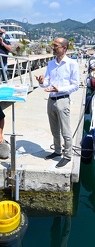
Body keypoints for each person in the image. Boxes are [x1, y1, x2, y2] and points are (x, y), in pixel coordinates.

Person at [36, 37, 79, 168]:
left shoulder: (72, 64)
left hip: (63, 100)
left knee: (65, 130)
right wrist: (42, 82)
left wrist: (59, 89)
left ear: (64, 48)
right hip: (51, 100)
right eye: (53, 45)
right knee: (54, 129)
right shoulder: (51, 64)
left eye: (56, 46)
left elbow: (76, 85)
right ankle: (57, 150)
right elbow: (47, 83)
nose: (53, 48)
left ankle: (67, 155)